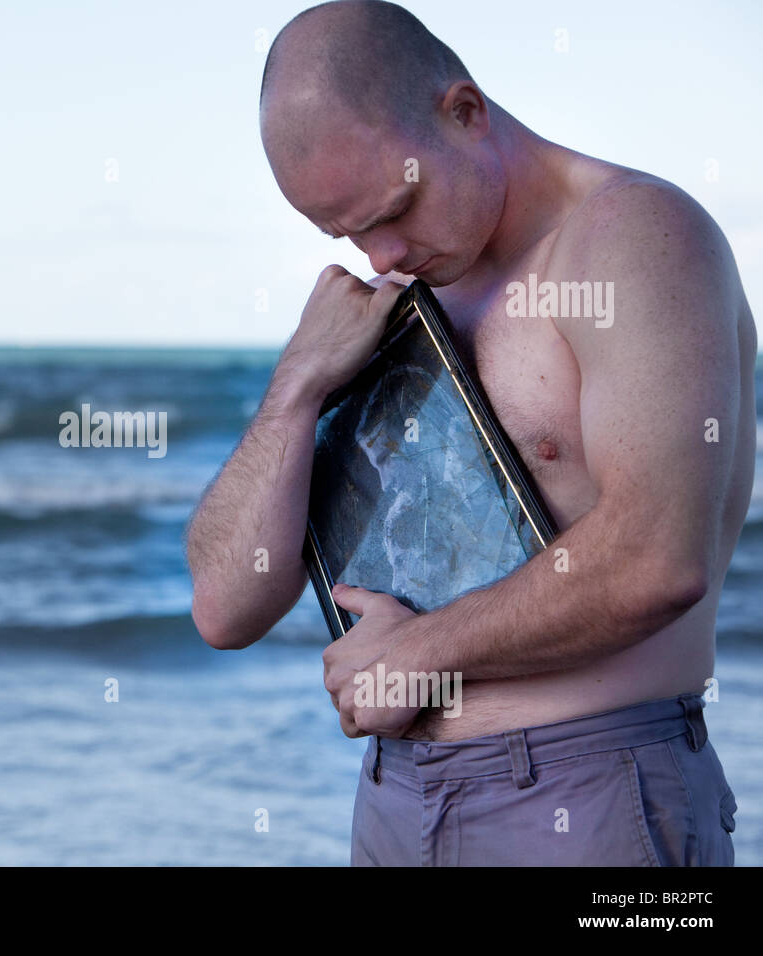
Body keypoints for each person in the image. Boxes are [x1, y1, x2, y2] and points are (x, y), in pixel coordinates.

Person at [185, 0, 755, 865]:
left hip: (589, 794)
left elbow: (656, 559)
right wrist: (297, 386)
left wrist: (420, 654)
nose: (380, 256)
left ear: (465, 112)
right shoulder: (389, 302)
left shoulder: (632, 240)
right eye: (345, 232)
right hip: (394, 799)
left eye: (395, 208)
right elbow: (226, 608)